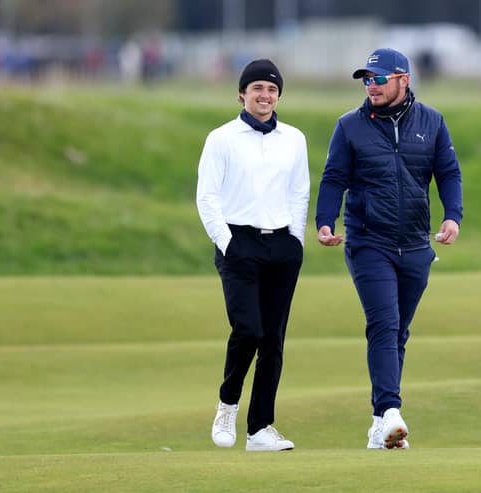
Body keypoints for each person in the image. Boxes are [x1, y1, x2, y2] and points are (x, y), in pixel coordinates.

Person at [315, 48, 463, 450]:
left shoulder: (432, 121)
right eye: (366, 79)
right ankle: (393, 410)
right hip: (368, 241)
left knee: (398, 332)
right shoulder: (349, 126)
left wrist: (453, 216)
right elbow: (333, 178)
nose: (371, 86)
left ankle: (379, 424)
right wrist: (325, 221)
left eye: (379, 78)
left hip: (416, 243)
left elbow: (448, 172)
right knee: (383, 323)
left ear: (404, 79)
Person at [196, 59, 310, 452]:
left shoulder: (294, 139)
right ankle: (227, 404)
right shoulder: (221, 138)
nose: (265, 95)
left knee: (273, 341)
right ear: (242, 94)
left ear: (279, 96)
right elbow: (207, 196)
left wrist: (296, 240)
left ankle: (260, 428)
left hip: (281, 244)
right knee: (248, 329)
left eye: (272, 89)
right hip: (239, 243)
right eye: (257, 88)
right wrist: (228, 243)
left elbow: (300, 191)